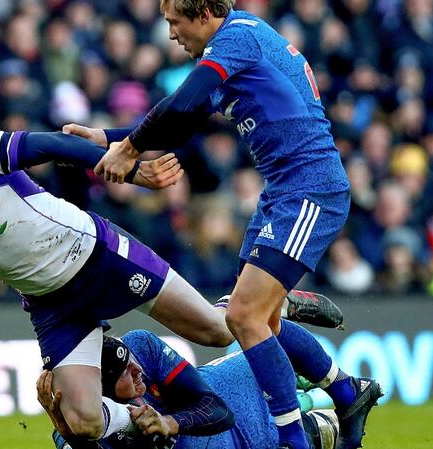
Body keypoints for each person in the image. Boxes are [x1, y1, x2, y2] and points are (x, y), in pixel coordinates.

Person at [0, 106, 344, 447]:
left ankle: (273, 302)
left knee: (219, 333)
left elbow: (47, 145)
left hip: (94, 254)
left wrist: (129, 172)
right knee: (86, 421)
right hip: (51, 303)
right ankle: (148, 423)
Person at [62, 1, 380, 448]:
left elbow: (185, 101)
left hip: (310, 187)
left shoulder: (236, 39)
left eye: (175, 22)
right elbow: (181, 117)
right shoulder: (229, 54)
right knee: (254, 321)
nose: (171, 33)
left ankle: (293, 440)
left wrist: (131, 147)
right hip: (281, 192)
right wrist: (109, 138)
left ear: (206, 12)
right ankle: (348, 392)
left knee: (244, 315)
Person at [39, 330, 370, 449]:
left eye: (131, 360)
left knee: (263, 332)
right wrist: (64, 427)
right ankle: (313, 411)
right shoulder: (76, 429)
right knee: (320, 430)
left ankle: (342, 388)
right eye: (124, 371)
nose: (136, 368)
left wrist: (170, 423)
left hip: (231, 393)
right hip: (247, 437)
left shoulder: (141, 347)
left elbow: (217, 410)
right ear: (103, 390)